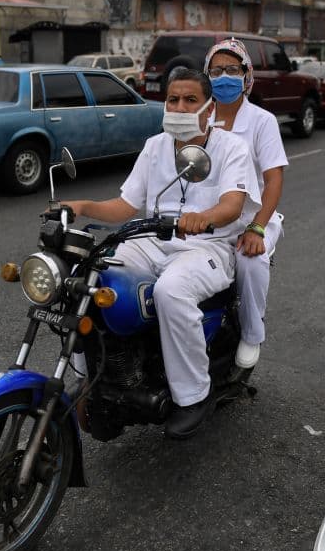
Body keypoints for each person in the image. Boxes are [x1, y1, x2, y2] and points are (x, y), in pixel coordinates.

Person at [66, 68, 260, 439]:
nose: (179, 106)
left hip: (208, 245)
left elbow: (233, 205)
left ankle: (193, 395)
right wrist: (83, 205)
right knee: (88, 275)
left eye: (189, 99)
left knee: (170, 291)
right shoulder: (156, 146)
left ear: (209, 106)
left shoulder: (231, 147)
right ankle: (86, 376)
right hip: (152, 239)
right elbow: (126, 205)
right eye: (173, 99)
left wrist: (202, 218)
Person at [203, 38, 287, 372]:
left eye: (232, 70)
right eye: (217, 70)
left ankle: (252, 333)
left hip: (251, 218)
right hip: (208, 218)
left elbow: (274, 180)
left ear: (246, 75)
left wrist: (257, 227)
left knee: (250, 260)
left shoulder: (262, 121)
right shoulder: (199, 117)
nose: (224, 76)